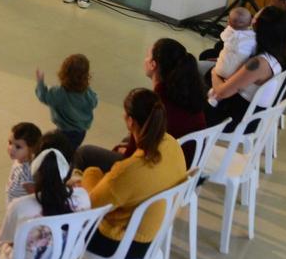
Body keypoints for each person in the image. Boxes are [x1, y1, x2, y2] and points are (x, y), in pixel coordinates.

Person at [78, 88, 187, 259]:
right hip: (155, 232)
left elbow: (90, 205)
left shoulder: (128, 171)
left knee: (67, 207)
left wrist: (91, 174)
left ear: (130, 121)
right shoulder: (172, 144)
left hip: (120, 243)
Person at [72, 38, 206, 173]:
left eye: (148, 56)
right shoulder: (189, 94)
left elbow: (134, 156)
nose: (145, 59)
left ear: (153, 64)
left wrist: (127, 151)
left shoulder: (155, 105)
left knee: (83, 154)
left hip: (155, 171)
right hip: (183, 169)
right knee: (127, 137)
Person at [205, 6, 286, 131]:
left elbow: (222, 92)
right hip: (251, 112)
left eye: (255, 19)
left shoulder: (259, 64)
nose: (252, 21)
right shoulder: (283, 53)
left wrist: (214, 71)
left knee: (187, 96)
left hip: (239, 120)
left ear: (261, 29)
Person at [35, 53, 98, 149]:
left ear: (64, 72)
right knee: (70, 149)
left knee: (54, 148)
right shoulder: (87, 92)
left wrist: (40, 82)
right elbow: (94, 102)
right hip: (80, 132)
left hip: (64, 131)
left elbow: (43, 96)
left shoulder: (59, 92)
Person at [215, 7, 257, 79]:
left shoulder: (228, 32)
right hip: (234, 73)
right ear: (250, 22)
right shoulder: (252, 36)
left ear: (229, 22)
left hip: (219, 69)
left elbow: (222, 36)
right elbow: (254, 51)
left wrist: (229, 27)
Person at [5, 121, 41, 204]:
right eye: (10, 143)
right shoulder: (19, 159)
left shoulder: (26, 171)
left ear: (32, 149)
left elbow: (34, 195)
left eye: (18, 147)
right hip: (13, 201)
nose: (11, 149)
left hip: (20, 207)